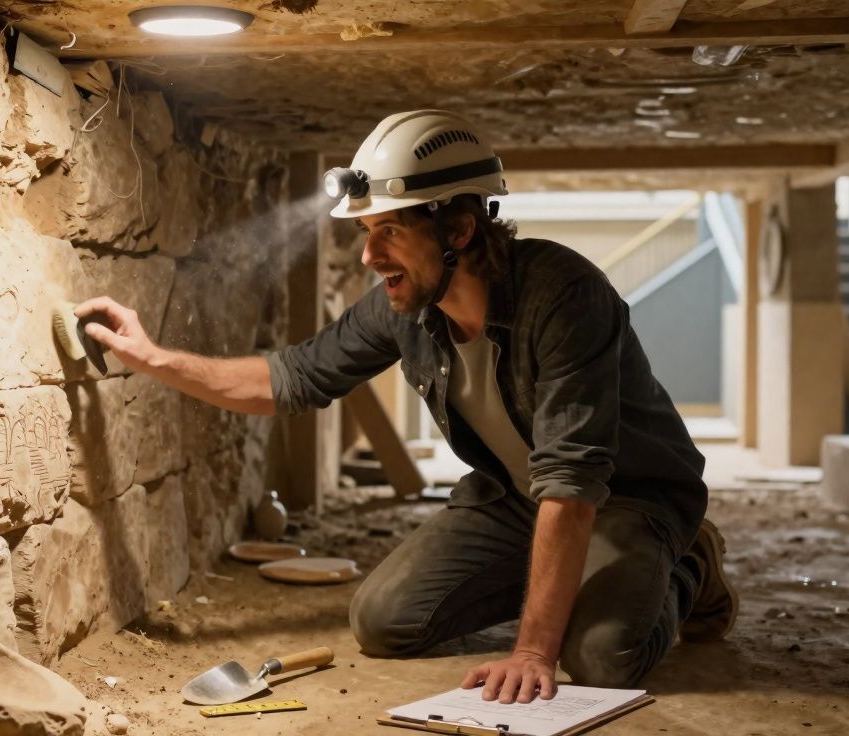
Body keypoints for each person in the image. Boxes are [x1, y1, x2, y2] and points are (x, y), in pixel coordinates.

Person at [74, 109, 737, 704]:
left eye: (387, 232)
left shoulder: (564, 298)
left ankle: (686, 566)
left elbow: (572, 480)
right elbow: (290, 379)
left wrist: (534, 649)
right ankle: (570, 586)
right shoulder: (407, 311)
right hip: (519, 499)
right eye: (365, 232)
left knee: (599, 660)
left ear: (459, 229)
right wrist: (152, 358)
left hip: (625, 498)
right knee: (386, 620)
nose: (369, 256)